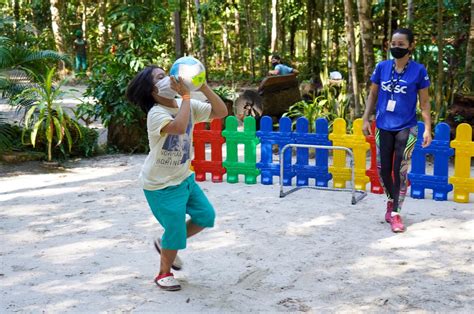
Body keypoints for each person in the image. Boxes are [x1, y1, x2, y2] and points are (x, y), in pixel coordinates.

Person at [125, 65, 227, 291]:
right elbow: (180, 127)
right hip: (160, 185)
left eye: (167, 73)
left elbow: (221, 112)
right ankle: (163, 273)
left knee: (205, 216)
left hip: (183, 177)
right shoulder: (156, 114)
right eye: (161, 77)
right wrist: (187, 96)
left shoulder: (185, 104)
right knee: (176, 230)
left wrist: (203, 86)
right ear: (153, 90)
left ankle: (165, 244)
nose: (169, 78)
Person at [362, 28, 432, 233]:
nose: (396, 47)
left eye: (401, 44)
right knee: (382, 170)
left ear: (411, 46)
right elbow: (372, 95)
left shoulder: (419, 71)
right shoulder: (382, 67)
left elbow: (425, 102)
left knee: (399, 170)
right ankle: (391, 201)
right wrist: (366, 118)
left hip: (407, 127)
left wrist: (427, 128)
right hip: (383, 125)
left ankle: (395, 213)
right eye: (393, 44)